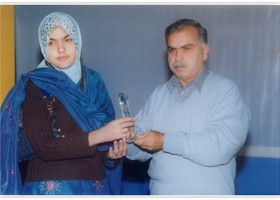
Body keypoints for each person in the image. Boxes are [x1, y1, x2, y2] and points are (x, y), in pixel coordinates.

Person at [0, 12, 133, 195]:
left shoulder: (93, 82)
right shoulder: (36, 84)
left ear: (77, 42)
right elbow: (44, 146)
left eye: (67, 40)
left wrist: (111, 156)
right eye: (51, 42)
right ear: (43, 48)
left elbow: (102, 148)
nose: (61, 49)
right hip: (50, 189)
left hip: (95, 187)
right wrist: (101, 134)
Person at [126, 19, 250, 195]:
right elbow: (141, 146)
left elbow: (220, 146)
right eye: (172, 50)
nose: (177, 58)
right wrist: (125, 142)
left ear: (204, 51)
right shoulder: (158, 95)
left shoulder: (226, 91)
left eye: (186, 48)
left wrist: (164, 141)